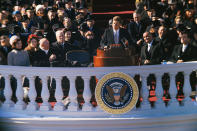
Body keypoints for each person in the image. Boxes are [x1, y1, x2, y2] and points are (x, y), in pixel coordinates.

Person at [7, 35, 30, 103]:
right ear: (14, 44)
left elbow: (28, 64)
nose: (20, 45)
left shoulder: (25, 52)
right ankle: (17, 97)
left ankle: (26, 97)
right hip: (15, 75)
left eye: (20, 43)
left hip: (25, 74)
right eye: (18, 43)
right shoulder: (11, 54)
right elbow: (10, 66)